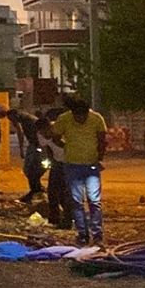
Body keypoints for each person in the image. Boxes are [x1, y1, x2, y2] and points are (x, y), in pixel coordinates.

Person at [51, 97, 107, 246]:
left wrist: (99, 158)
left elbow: (102, 140)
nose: (80, 118)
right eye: (77, 115)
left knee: (94, 201)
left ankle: (97, 235)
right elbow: (55, 137)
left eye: (83, 115)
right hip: (72, 165)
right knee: (76, 202)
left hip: (91, 165)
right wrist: (67, 147)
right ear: (72, 112)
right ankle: (82, 234)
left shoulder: (96, 119)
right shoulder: (64, 119)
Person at [37, 114, 72, 230]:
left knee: (65, 193)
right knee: (52, 191)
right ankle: (55, 217)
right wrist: (51, 163)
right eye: (41, 132)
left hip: (69, 162)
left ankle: (69, 217)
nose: (43, 134)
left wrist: (55, 138)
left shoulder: (61, 131)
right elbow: (47, 149)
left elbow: (69, 146)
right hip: (57, 163)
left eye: (45, 130)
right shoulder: (41, 135)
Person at [7, 109, 45, 203]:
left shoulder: (25, 120)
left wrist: (21, 148)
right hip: (36, 146)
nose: (11, 122)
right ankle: (37, 189)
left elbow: (21, 132)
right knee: (31, 170)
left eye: (11, 119)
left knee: (32, 170)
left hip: (38, 147)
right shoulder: (25, 118)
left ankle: (36, 190)